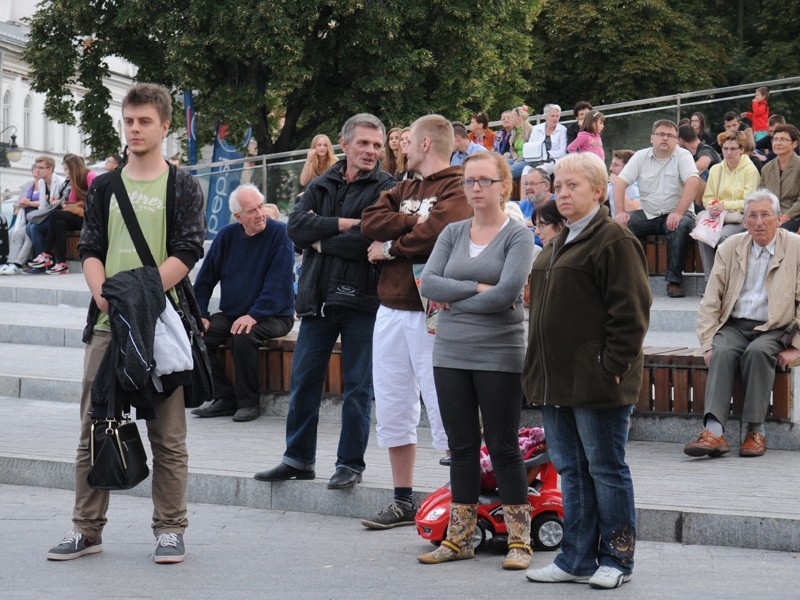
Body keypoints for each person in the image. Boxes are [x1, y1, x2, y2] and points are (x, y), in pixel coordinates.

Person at [46, 83, 206, 564]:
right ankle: (87, 529)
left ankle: (171, 529)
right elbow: (90, 248)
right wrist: (104, 294)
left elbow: (188, 250)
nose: (134, 130)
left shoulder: (182, 184)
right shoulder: (104, 186)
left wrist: (139, 296)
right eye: (128, 121)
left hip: (162, 325)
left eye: (144, 122)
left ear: (164, 126)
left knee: (169, 438)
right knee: (94, 429)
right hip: (106, 325)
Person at [524, 152, 651, 590]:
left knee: (606, 469)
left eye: (572, 186)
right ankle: (575, 557)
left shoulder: (612, 239)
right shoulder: (558, 242)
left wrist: (611, 366)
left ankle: (617, 558)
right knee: (572, 470)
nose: (562, 193)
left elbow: (632, 313)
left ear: (598, 191)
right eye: (558, 186)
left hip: (597, 382)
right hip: (557, 383)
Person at [254, 113, 395, 490]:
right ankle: (297, 458)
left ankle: (350, 464)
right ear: (344, 145)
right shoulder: (321, 182)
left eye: (377, 145)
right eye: (363, 143)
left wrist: (322, 236)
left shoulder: (387, 187)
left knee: (357, 389)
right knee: (303, 381)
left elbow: (371, 238)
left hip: (362, 301)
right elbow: (295, 228)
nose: (371, 151)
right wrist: (344, 224)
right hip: (316, 300)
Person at [416, 151, 535, 569]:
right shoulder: (452, 231)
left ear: (505, 185)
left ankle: (520, 541)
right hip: (449, 352)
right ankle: (459, 538)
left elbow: (508, 295)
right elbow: (428, 283)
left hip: (499, 354)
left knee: (503, 447)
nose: (476, 188)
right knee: (461, 447)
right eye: (470, 181)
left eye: (485, 180)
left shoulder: (518, 236)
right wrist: (479, 288)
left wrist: (458, 293)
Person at [360, 114, 472, 528]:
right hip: (389, 308)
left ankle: (462, 503)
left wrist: (389, 247)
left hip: (432, 310)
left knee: (445, 405)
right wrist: (411, 224)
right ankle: (403, 499)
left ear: (425, 143)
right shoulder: (401, 186)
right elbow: (369, 221)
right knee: (392, 405)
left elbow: (440, 233)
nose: (401, 148)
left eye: (407, 142)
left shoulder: (458, 185)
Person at [684, 189, 800, 459]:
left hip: (775, 327)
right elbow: (710, 300)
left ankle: (755, 431)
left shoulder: (795, 248)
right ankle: (713, 432)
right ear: (745, 221)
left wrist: (796, 347)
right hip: (735, 325)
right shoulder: (730, 247)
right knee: (721, 352)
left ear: (778, 219)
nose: (759, 222)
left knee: (758, 353)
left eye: (765, 215)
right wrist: (707, 342)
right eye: (752, 216)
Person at [191, 184, 295, 422]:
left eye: (261, 206)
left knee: (244, 334)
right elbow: (204, 280)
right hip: (234, 312)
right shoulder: (227, 236)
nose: (260, 214)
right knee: (196, 336)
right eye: (252, 210)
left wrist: (255, 314)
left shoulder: (280, 233)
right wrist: (201, 315)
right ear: (238, 217)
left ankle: (249, 402)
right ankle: (224, 397)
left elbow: (278, 284)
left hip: (275, 315)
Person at [613, 119, 700, 298]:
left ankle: (674, 281)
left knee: (679, 225)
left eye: (670, 136)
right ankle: (627, 279)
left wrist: (678, 212)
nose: (665, 138)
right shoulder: (640, 156)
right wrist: (620, 212)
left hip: (680, 213)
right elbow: (620, 183)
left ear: (676, 140)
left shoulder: (683, 156)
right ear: (652, 137)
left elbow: (693, 182)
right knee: (620, 227)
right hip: (648, 214)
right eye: (661, 134)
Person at [697, 130, 760, 280]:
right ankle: (710, 281)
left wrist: (724, 205)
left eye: (733, 149)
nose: (728, 152)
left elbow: (749, 201)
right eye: (725, 148)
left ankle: (728, 280)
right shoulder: (716, 169)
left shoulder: (750, 170)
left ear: (742, 150)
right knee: (703, 236)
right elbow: (708, 197)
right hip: (718, 215)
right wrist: (713, 206)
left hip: (741, 217)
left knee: (723, 237)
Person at [28, 154, 97, 275]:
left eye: (68, 169)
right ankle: (62, 263)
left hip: (91, 218)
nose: (66, 173)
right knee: (60, 223)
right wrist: (64, 203)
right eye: (65, 170)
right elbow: (71, 201)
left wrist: (73, 204)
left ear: (75, 168)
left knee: (55, 214)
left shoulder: (90, 176)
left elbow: (95, 199)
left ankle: (46, 254)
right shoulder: (73, 180)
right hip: (80, 215)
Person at [23, 156, 67, 271]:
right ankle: (45, 259)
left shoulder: (60, 182)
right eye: (37, 167)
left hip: (58, 217)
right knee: (29, 227)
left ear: (49, 169)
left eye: (41, 167)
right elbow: (42, 206)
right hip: (48, 216)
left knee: (34, 228)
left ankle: (43, 263)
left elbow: (63, 205)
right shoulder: (42, 182)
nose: (37, 170)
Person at [0, 164, 45, 274]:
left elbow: (45, 203)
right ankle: (10, 262)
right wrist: (20, 204)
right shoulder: (28, 185)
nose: (37, 171)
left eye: (39, 169)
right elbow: (17, 203)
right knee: (15, 233)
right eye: (34, 169)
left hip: (39, 219)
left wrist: (29, 203)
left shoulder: (45, 185)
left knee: (29, 234)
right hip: (24, 219)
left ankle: (19, 264)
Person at [759, 124, 800, 232]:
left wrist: (784, 218)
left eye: (783, 139)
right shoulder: (766, 168)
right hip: (770, 216)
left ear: (794, 144)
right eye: (775, 139)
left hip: (794, 217)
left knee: (776, 233)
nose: (778, 143)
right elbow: (762, 196)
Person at [526, 103, 567, 176]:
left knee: (539, 171)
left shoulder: (562, 129)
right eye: (552, 116)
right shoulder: (536, 128)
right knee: (525, 172)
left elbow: (562, 152)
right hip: (536, 160)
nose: (555, 118)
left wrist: (547, 154)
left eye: (557, 116)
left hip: (552, 160)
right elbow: (530, 147)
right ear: (546, 117)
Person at [607, 150, 640, 217]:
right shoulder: (611, 185)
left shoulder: (640, 187)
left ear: (628, 168)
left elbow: (633, 211)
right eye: (611, 164)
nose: (610, 168)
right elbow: (594, 202)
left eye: (615, 165)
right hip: (617, 226)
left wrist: (618, 186)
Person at [508, 106, 534, 179]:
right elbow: (512, 149)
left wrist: (519, 159)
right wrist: (516, 158)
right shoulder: (514, 131)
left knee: (508, 171)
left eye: (512, 117)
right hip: (516, 159)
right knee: (499, 167)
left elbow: (531, 150)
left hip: (527, 160)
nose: (510, 119)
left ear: (519, 117)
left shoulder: (531, 130)